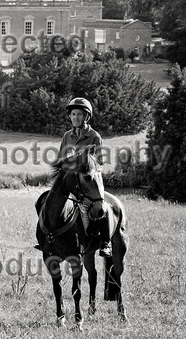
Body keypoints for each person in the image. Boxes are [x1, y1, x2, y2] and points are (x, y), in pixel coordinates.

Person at [59, 97, 111, 257]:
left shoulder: (94, 136)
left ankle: (105, 243)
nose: (75, 117)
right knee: (47, 202)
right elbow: (61, 159)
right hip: (70, 182)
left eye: (79, 114)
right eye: (73, 114)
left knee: (102, 207)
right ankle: (49, 238)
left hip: (89, 181)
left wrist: (85, 164)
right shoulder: (67, 136)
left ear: (86, 117)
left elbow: (100, 162)